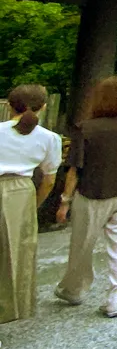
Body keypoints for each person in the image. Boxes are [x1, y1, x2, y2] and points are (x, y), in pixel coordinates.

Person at [55, 76, 117, 319]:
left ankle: (74, 290)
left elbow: (75, 168)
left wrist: (65, 200)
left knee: (83, 244)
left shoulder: (86, 128)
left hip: (93, 193)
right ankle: (115, 298)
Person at [1, 85, 62, 326]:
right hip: (21, 191)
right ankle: (8, 308)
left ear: (8, 105)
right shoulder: (49, 138)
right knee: (15, 252)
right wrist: (34, 204)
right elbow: (49, 179)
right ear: (44, 106)